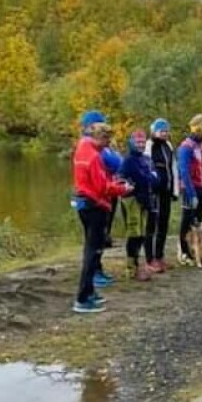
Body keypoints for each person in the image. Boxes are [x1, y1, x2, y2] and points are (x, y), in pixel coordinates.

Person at [71, 118, 131, 314]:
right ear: (100, 138)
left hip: (84, 203)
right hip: (94, 205)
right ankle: (82, 298)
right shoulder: (94, 157)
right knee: (92, 252)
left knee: (92, 250)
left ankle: (89, 292)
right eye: (107, 141)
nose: (108, 145)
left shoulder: (82, 147)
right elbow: (102, 187)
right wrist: (123, 189)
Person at [119, 129, 159, 281]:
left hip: (144, 199)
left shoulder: (146, 159)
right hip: (131, 199)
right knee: (134, 233)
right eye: (138, 142)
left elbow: (156, 179)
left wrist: (149, 177)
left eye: (143, 142)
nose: (141, 145)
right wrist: (149, 177)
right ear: (131, 142)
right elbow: (142, 178)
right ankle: (131, 268)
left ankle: (136, 265)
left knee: (142, 233)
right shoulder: (128, 160)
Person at [177, 113, 202, 263]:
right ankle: (183, 252)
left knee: (197, 221)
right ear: (196, 129)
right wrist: (191, 194)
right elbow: (184, 171)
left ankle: (195, 250)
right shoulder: (186, 147)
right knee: (187, 220)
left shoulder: (201, 146)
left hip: (201, 187)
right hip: (190, 189)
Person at [146, 118, 178, 271]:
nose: (165, 133)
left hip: (166, 190)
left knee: (164, 224)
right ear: (154, 131)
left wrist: (175, 190)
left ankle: (160, 256)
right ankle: (150, 259)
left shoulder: (168, 146)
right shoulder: (150, 145)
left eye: (166, 131)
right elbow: (146, 167)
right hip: (154, 191)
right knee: (153, 225)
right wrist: (150, 187)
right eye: (161, 131)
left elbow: (173, 169)